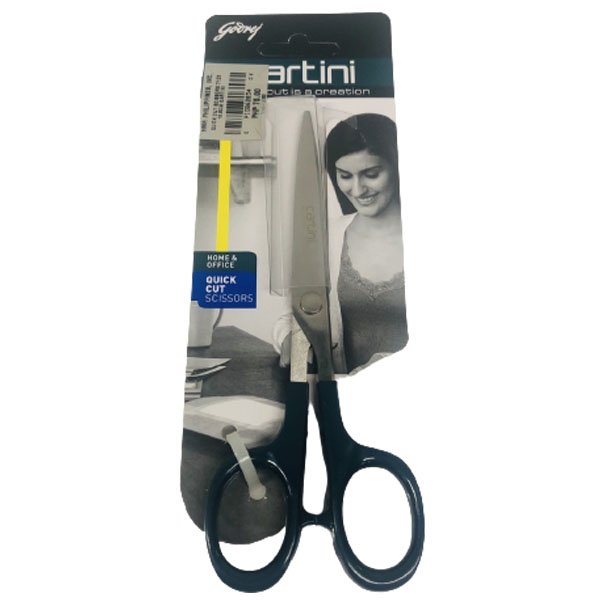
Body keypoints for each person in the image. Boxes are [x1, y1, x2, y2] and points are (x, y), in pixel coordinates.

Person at [273, 112, 408, 373]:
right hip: (342, 389)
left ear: (397, 166)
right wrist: (292, 340)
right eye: (345, 176)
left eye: (371, 174)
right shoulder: (327, 239)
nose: (357, 190)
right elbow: (291, 316)